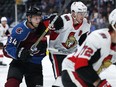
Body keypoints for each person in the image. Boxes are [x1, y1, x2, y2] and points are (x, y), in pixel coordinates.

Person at [61, 8, 116, 87]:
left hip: (88, 76)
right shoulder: (99, 38)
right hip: (73, 70)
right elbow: (80, 66)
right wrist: (99, 83)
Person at [3, 6, 48, 87]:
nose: (38, 21)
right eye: (35, 18)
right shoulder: (20, 30)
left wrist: (57, 20)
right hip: (19, 63)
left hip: (35, 65)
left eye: (39, 18)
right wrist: (19, 53)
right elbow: (7, 48)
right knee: (11, 85)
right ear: (29, 18)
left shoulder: (43, 24)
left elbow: (54, 20)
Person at [48, 1, 91, 87]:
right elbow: (53, 23)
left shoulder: (86, 23)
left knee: (75, 78)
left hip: (71, 54)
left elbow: (83, 41)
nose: (82, 16)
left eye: (84, 13)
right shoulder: (64, 20)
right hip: (57, 52)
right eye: (80, 13)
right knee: (61, 78)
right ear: (73, 13)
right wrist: (53, 19)